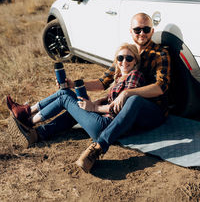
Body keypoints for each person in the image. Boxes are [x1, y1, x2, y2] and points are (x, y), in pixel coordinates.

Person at [8, 12, 171, 173]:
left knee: (132, 100)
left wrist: (120, 97)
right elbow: (102, 83)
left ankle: (98, 147)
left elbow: (160, 87)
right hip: (123, 115)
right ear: (131, 31)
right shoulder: (125, 54)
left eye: (146, 29)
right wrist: (74, 85)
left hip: (151, 111)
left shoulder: (159, 54)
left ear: (152, 31)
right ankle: (36, 131)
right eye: (137, 30)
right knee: (76, 105)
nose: (141, 33)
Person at [7, 43, 144, 153]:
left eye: (129, 58)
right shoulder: (120, 77)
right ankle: (37, 133)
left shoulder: (135, 75)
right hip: (102, 121)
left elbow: (122, 108)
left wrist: (94, 107)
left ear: (135, 61)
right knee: (71, 105)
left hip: (106, 126)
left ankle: (28, 119)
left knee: (65, 97)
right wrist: (99, 101)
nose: (124, 61)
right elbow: (111, 96)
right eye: (120, 58)